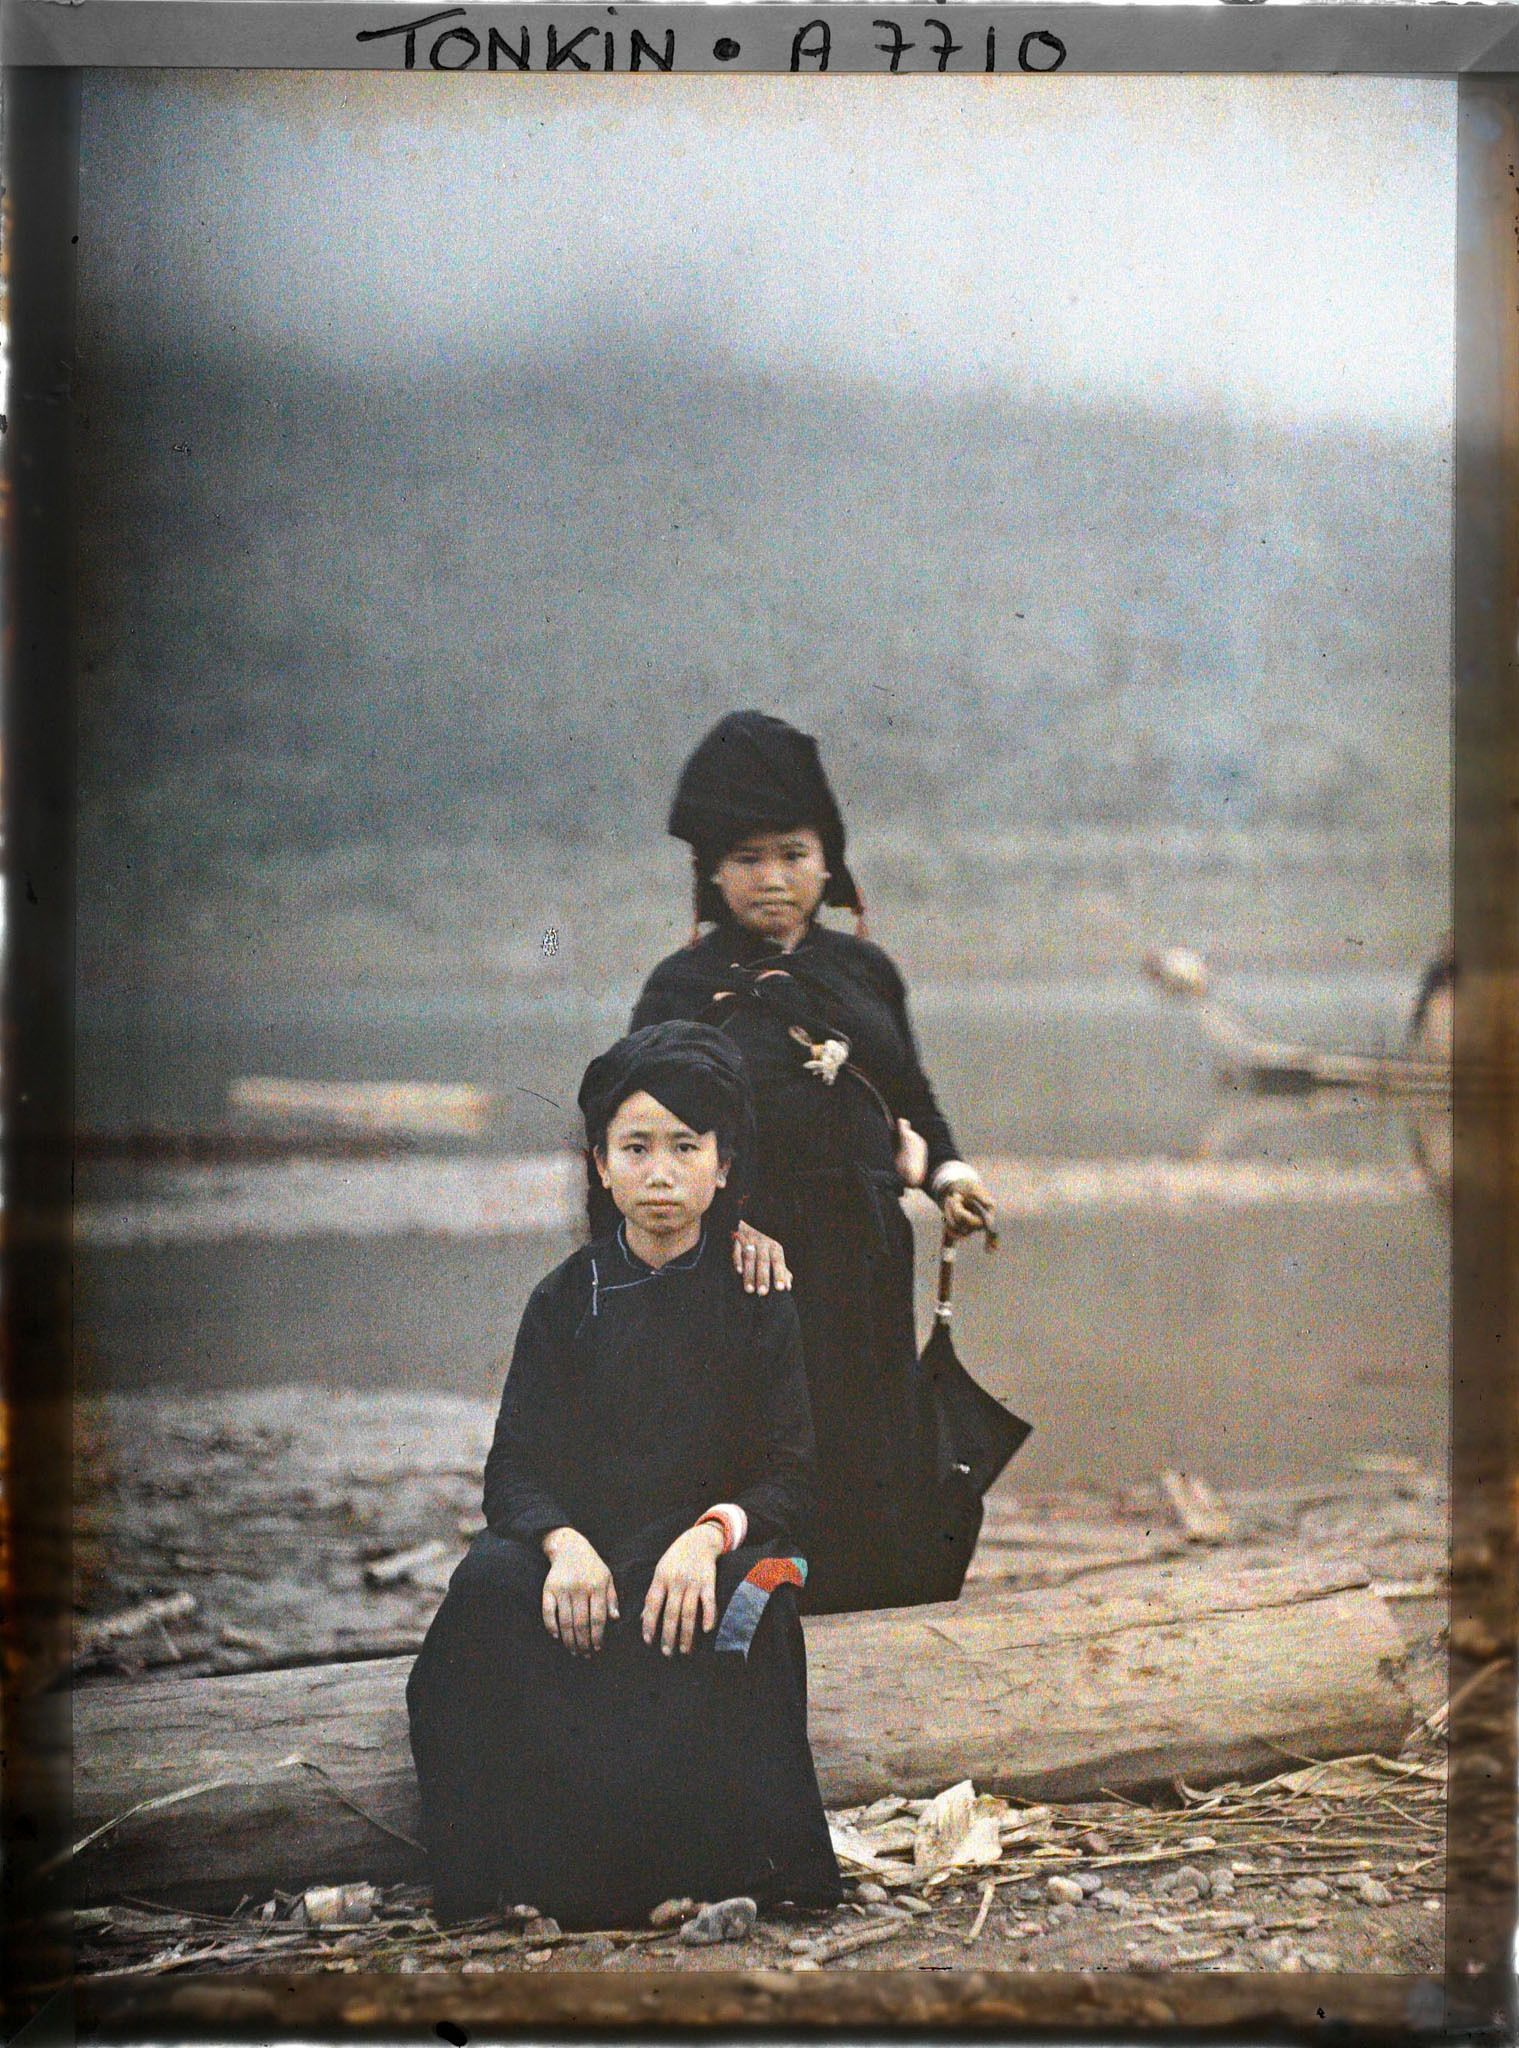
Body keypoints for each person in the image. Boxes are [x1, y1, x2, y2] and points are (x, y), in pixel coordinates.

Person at [406, 1021, 842, 1929]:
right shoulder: (563, 1298)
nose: (659, 1173)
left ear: (722, 1166)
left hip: (705, 1551)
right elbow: (512, 1467)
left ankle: (747, 1868)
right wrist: (563, 1546)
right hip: (592, 1560)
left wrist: (708, 1532)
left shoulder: (757, 1293)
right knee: (488, 1582)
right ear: (600, 1166)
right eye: (634, 1147)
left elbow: (790, 1473)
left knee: (758, 1592)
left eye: (685, 1147)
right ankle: (519, 1876)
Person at [631, 710, 1027, 1615]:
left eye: (793, 854)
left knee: (877, 1443)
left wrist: (951, 1178)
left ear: (828, 862)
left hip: (866, 1257)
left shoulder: (866, 972)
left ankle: (879, 1631)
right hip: (745, 1271)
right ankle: (760, 1638)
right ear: (711, 872)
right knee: (765, 1451)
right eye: (746, 859)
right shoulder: (679, 988)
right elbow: (637, 1145)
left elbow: (911, 1097)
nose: (772, 878)